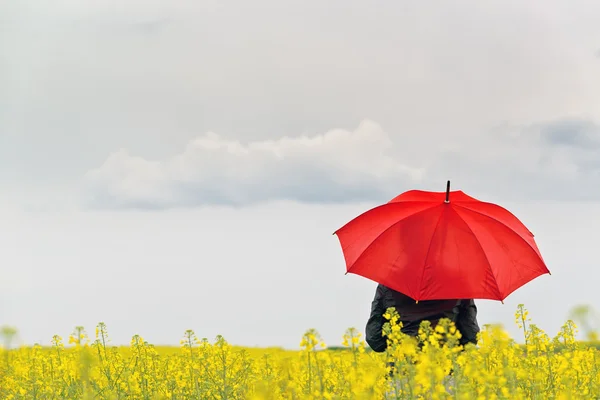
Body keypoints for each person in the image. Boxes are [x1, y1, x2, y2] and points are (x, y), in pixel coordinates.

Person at [365, 283, 480, 353]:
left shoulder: (388, 286)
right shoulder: (459, 285)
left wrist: (398, 344)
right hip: (444, 373)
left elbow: (374, 339)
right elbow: (471, 336)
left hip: (401, 373)